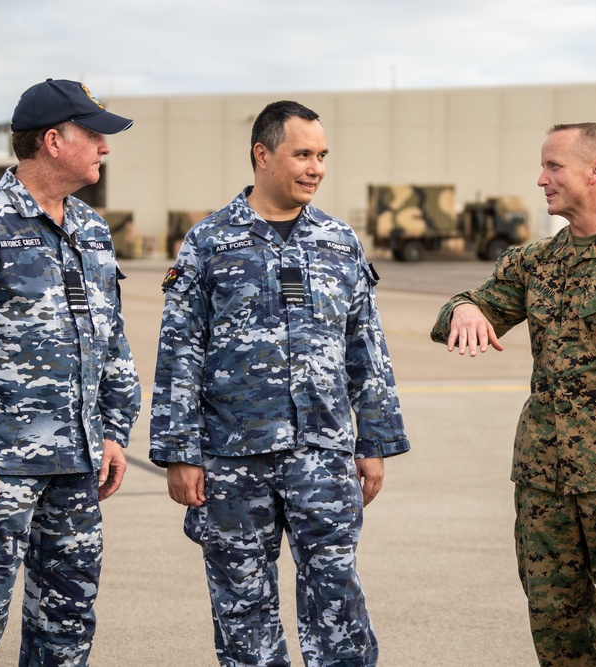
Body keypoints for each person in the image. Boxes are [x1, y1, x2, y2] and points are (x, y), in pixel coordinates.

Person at [431, 122, 596, 666]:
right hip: (544, 487)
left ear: (594, 170)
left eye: (553, 167)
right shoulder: (535, 264)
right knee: (558, 639)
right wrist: (463, 309)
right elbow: (466, 309)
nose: (541, 179)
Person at [149, 100, 409, 667]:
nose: (315, 167)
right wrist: (177, 452)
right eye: (302, 154)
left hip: (323, 453)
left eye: (322, 156)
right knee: (242, 608)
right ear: (262, 155)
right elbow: (179, 352)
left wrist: (375, 443)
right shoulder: (209, 242)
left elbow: (366, 349)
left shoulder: (340, 242)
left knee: (337, 598)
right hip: (231, 458)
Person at [0, 79, 141, 665]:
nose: (105, 147)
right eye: (94, 135)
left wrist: (112, 431)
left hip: (76, 467)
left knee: (68, 623)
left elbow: (111, 340)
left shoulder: (92, 230)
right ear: (53, 141)